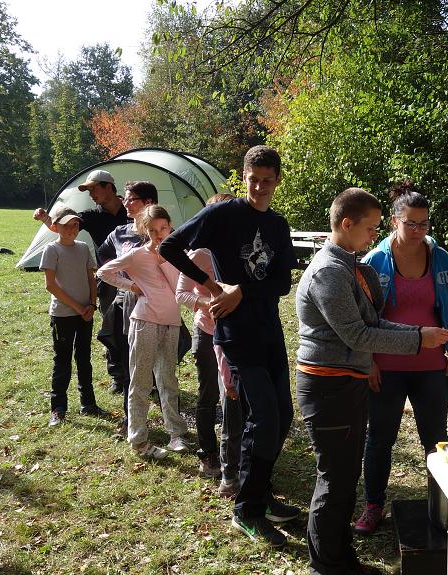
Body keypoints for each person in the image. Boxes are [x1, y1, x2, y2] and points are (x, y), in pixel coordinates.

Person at [296, 187, 448, 573]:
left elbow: (373, 323)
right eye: (370, 228)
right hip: (329, 386)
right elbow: (359, 336)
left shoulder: (348, 265)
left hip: (345, 381)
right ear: (346, 224)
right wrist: (417, 339)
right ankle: (327, 565)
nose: (373, 236)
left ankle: (339, 557)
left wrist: (420, 332)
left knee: (346, 476)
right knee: (334, 480)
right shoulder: (329, 272)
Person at [160, 145, 301, 546]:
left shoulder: (277, 224)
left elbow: (282, 283)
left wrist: (244, 289)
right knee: (264, 418)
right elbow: (170, 246)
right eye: (253, 179)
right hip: (236, 335)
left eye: (267, 180)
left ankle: (261, 494)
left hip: (269, 329)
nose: (259, 187)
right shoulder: (224, 215)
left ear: (277, 180)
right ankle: (246, 510)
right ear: (244, 177)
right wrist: (213, 286)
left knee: (284, 415)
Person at [354, 181, 448, 535]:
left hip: (431, 367)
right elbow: (362, 321)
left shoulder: (442, 260)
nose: (418, 231)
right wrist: (369, 362)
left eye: (424, 224)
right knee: (379, 438)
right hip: (387, 368)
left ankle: (441, 504)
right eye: (411, 224)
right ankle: (373, 504)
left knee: (436, 439)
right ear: (394, 221)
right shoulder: (374, 262)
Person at [97, 205, 190, 459]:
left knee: (168, 379)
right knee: (141, 381)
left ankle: (176, 433)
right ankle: (138, 440)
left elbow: (179, 288)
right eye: (153, 230)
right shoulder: (137, 255)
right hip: (145, 321)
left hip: (171, 321)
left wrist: (165, 259)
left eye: (163, 228)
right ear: (144, 230)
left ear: (170, 225)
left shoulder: (176, 254)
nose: (159, 234)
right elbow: (104, 272)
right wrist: (131, 286)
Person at [33, 169, 130, 396]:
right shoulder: (92, 215)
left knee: (137, 324)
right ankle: (117, 374)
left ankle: (146, 376)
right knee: (112, 325)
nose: (91, 194)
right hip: (109, 280)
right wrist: (46, 217)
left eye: (94, 189)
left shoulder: (131, 209)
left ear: (108, 187)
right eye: (88, 190)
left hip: (137, 277)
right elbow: (65, 229)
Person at [175, 192, 241, 483]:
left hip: (237, 335)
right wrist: (210, 300)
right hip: (207, 331)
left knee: (235, 396)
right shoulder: (197, 253)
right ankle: (208, 453)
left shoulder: (241, 248)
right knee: (208, 394)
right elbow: (182, 293)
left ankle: (235, 455)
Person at [97, 181, 157, 434]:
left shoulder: (160, 231)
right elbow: (103, 258)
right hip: (125, 306)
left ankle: (173, 421)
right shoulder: (119, 233)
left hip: (155, 306)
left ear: (148, 203)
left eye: (132, 199)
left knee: (157, 365)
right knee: (127, 364)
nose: (126, 202)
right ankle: (130, 419)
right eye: (126, 199)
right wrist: (125, 281)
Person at [40, 206, 102, 426]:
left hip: (85, 313)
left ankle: (89, 403)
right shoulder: (52, 250)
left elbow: (91, 279)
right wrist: (78, 307)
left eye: (75, 224)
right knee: (62, 360)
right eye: (67, 225)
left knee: (84, 358)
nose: (72, 229)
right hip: (63, 314)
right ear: (55, 227)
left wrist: (92, 305)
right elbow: (50, 285)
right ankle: (58, 408)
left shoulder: (84, 248)